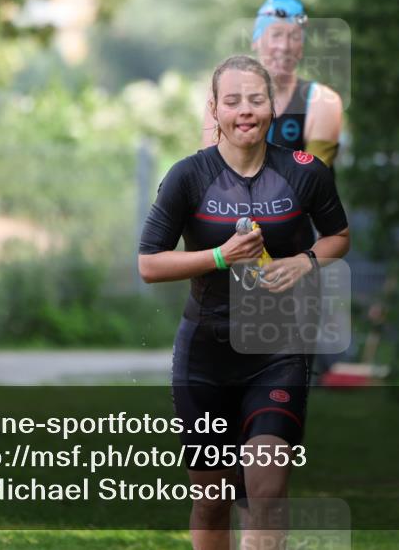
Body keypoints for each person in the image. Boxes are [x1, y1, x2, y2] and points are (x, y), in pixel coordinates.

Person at [139, 55, 350, 550]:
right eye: (232, 101)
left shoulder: (306, 172)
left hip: (279, 348)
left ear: (273, 107)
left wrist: (306, 261)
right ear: (214, 110)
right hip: (205, 353)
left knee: (267, 487)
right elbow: (149, 264)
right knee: (212, 497)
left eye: (255, 100)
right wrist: (218, 256)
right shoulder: (188, 176)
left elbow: (338, 235)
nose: (245, 111)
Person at [202, 0, 344, 169]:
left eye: (294, 37)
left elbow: (311, 182)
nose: (284, 47)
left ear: (301, 48)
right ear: (256, 41)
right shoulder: (224, 95)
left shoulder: (322, 102)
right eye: (276, 35)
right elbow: (212, 171)